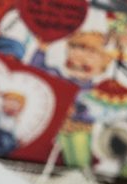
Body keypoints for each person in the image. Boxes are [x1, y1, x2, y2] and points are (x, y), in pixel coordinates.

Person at [31, 31, 114, 168]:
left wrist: (78, 112)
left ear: (101, 67)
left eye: (90, 56)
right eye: (74, 52)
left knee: (78, 157)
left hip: (78, 130)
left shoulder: (95, 92)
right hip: (49, 129)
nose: (79, 59)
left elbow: (98, 112)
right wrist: (41, 50)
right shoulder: (57, 78)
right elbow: (37, 72)